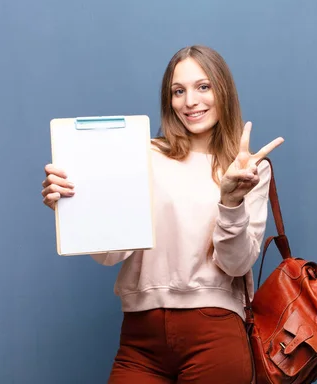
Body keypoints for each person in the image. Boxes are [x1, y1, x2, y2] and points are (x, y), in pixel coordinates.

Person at [41, 44, 284, 383]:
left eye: (203, 86)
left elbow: (236, 264)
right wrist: (75, 208)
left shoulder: (248, 170)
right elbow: (112, 253)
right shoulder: (142, 156)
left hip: (214, 335)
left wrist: (231, 201)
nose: (190, 102)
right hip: (140, 338)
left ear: (223, 90)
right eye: (178, 91)